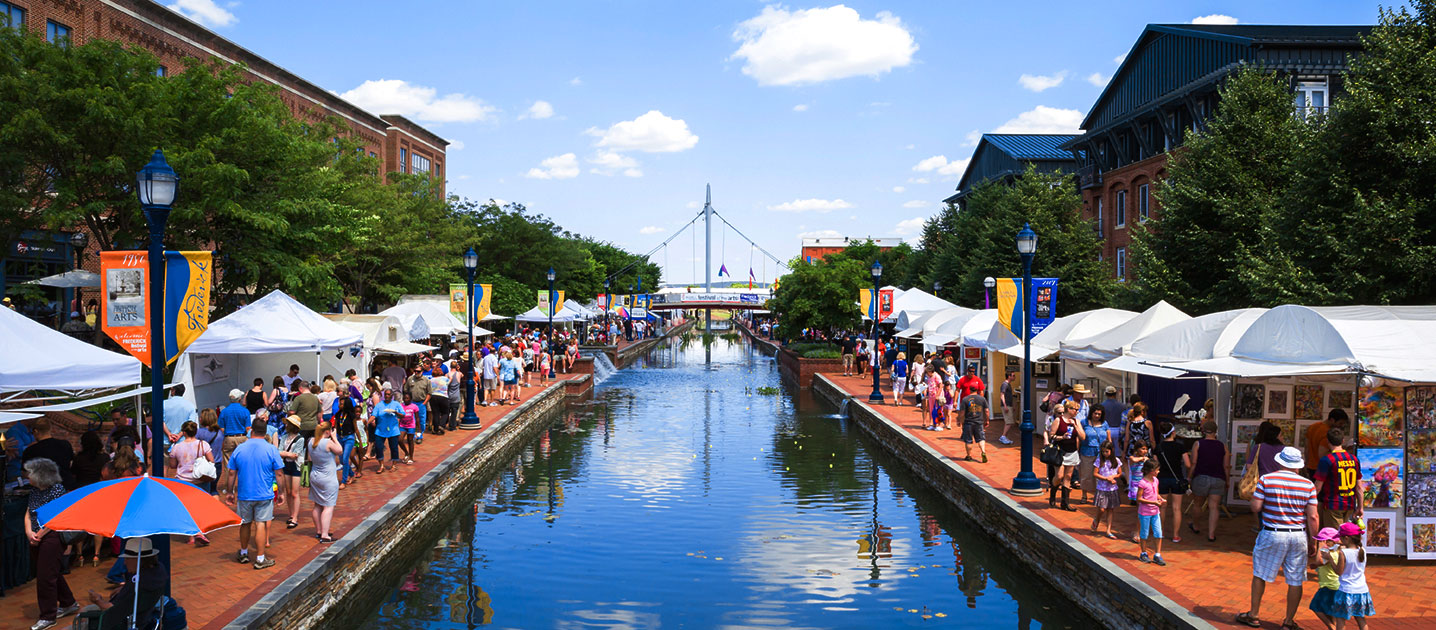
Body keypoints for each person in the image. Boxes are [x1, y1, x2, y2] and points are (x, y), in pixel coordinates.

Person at [1236, 447, 1319, 629]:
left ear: (1280, 461)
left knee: (1260, 574)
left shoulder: (1266, 480)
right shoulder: (1308, 485)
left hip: (1272, 532)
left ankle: (1254, 615)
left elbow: (1256, 507)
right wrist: (1314, 541)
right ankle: (1288, 622)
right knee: (1295, 579)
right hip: (1297, 535)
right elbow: (1313, 516)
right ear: (1297, 465)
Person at [24, 458, 79, 629]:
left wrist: (39, 535)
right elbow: (28, 513)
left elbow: (57, 517)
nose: (27, 476)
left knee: (45, 577)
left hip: (52, 536)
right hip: (36, 536)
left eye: (30, 473)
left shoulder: (57, 490)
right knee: (50, 572)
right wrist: (29, 532)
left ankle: (48, 616)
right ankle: (69, 603)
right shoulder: (34, 490)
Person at [227, 417, 285, 570]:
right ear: (265, 432)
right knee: (260, 523)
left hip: (245, 493)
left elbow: (231, 472)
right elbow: (279, 473)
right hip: (264, 493)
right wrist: (281, 492)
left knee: (245, 523)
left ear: (251, 430)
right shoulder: (271, 449)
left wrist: (230, 491)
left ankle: (244, 552)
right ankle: (260, 558)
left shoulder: (240, 448)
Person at [72, 538, 168, 630]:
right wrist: (124, 588)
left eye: (127, 559)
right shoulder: (158, 571)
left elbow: (112, 610)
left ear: (138, 560)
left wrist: (98, 600)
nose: (125, 563)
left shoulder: (136, 587)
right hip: (143, 617)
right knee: (84, 611)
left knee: (81, 616)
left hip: (120, 623)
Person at [166, 420, 215, 546]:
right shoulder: (203, 444)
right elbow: (211, 460)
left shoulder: (177, 447)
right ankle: (200, 531)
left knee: (187, 508)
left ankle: (191, 536)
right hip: (200, 479)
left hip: (183, 481)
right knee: (201, 507)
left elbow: (172, 465)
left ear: (184, 432)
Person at [1185, 419, 1230, 543]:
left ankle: (1196, 526)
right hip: (1218, 478)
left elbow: (1194, 463)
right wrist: (1227, 480)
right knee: (1214, 507)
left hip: (1201, 477)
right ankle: (1211, 534)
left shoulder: (1198, 444)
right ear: (1215, 432)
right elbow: (1226, 466)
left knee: (1197, 504)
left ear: (1204, 431)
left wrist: (1189, 477)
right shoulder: (1223, 446)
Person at [1313, 428, 1362, 530]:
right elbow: (1359, 487)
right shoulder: (1354, 459)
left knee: (1334, 536)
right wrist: (1360, 507)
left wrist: (1308, 502)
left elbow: (1318, 487)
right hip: (1350, 504)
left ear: (1327, 441)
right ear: (1343, 440)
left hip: (1333, 504)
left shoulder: (1327, 460)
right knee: (1347, 534)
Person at [307, 420, 342, 543]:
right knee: (328, 506)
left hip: (315, 476)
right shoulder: (328, 443)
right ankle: (325, 535)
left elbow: (309, 458)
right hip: (328, 478)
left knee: (317, 504)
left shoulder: (311, 441)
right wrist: (335, 438)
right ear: (327, 431)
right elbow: (340, 450)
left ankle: (319, 531)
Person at [1047, 400, 1085, 511]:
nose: (1077, 412)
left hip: (1072, 451)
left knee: (1068, 476)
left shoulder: (1076, 421)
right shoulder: (1058, 420)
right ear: (1069, 409)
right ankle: (1053, 493)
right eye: (1075, 410)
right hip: (1060, 452)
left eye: (1078, 410)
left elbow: (1083, 437)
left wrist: (1076, 427)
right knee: (1059, 476)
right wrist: (1062, 437)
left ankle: (1065, 503)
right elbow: (1051, 436)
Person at [1153, 421, 1187, 543]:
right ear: (1173, 433)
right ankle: (1176, 535)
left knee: (1162, 507)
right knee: (1176, 508)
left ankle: (1160, 532)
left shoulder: (1158, 447)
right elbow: (1188, 464)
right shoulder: (1180, 446)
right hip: (1177, 478)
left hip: (1162, 478)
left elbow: (1155, 464)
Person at [22, 418, 74, 490]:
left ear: (35, 431)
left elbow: (25, 474)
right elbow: (70, 464)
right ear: (50, 429)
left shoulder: (31, 450)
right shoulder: (65, 444)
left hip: (44, 490)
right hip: (67, 486)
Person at [1077, 406, 1114, 505]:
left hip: (1102, 453)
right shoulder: (1084, 422)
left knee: (1101, 474)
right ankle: (1084, 495)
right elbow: (1079, 438)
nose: (1097, 416)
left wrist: (1111, 452)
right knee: (1086, 474)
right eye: (1095, 413)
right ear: (1091, 413)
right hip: (1087, 451)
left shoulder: (1104, 423)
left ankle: (1099, 496)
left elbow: (1109, 439)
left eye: (1099, 414)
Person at [218, 388, 252, 497]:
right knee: (244, 462)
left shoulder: (224, 411)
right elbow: (248, 428)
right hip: (242, 437)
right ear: (239, 399)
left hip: (229, 437)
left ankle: (229, 488)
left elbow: (221, 427)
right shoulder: (245, 411)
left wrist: (227, 433)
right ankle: (245, 486)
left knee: (228, 463)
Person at [1309, 526, 1343, 630]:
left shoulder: (1328, 554)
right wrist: (1315, 565)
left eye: (1321, 541)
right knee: (1330, 609)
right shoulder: (1337, 552)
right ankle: (1334, 626)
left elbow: (1319, 561)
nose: (1320, 542)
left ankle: (1331, 626)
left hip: (1328, 586)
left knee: (1315, 606)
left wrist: (1320, 546)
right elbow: (1320, 563)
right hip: (1336, 586)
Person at [277, 415, 306, 530]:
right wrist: (288, 454)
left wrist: (285, 454)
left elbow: (296, 455)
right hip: (286, 465)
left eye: (288, 423)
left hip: (296, 466)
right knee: (288, 492)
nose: (286, 425)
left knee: (295, 493)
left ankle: (295, 517)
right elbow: (279, 451)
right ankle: (291, 514)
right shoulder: (284, 437)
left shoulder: (300, 439)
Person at [1136, 459, 1167, 566]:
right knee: (1144, 533)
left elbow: (1156, 494)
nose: (1158, 471)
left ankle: (1157, 554)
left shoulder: (1156, 480)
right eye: (1157, 470)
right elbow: (1139, 498)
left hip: (1155, 512)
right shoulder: (1142, 483)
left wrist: (1160, 499)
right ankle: (1143, 553)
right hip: (1145, 513)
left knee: (1158, 533)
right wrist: (1153, 502)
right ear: (1151, 471)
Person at [1090, 440, 1123, 539]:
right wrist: (1106, 478)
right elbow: (1095, 473)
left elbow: (1119, 473)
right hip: (1102, 488)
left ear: (1111, 451)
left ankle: (1108, 530)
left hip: (1112, 489)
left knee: (1110, 509)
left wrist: (1113, 477)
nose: (1105, 454)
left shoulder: (1116, 461)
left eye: (1107, 451)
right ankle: (1097, 519)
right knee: (1102, 508)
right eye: (1103, 452)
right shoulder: (1099, 461)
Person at [1307, 409, 1350, 479]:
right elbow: (1322, 454)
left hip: (1311, 466)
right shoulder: (1327, 433)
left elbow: (1306, 448)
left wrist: (1307, 463)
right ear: (1332, 420)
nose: (1341, 426)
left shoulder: (1312, 427)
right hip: (1322, 468)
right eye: (1340, 423)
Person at [372, 386, 403, 474]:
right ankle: (381, 465)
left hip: (393, 429)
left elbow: (402, 415)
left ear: (392, 395)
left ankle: (394, 465)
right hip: (380, 429)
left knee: (394, 447)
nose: (387, 396)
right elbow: (374, 415)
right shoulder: (379, 405)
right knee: (378, 447)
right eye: (385, 394)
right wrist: (369, 422)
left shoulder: (396, 404)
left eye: (389, 394)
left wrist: (395, 412)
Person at [195, 408, 225, 494]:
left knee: (202, 491)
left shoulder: (198, 433)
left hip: (203, 465)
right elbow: (222, 447)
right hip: (217, 464)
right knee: (213, 490)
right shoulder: (219, 433)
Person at [333, 395, 360, 488]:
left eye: (341, 404)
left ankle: (343, 481)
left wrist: (360, 441)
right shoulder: (338, 415)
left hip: (349, 438)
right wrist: (334, 438)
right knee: (341, 460)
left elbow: (356, 429)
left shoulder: (351, 416)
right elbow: (336, 427)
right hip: (340, 438)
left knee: (345, 459)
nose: (339, 405)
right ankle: (351, 474)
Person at [161, 384, 197, 450]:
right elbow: (190, 425)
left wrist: (169, 434)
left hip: (165, 442)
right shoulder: (190, 406)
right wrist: (179, 435)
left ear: (173, 391)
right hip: (183, 442)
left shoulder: (163, 404)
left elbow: (160, 421)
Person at [959, 386, 989, 464]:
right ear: (977, 390)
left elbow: (962, 412)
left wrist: (960, 421)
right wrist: (987, 420)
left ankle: (969, 456)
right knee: (981, 438)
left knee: (968, 440)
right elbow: (986, 411)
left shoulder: (965, 399)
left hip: (968, 422)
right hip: (979, 422)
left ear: (969, 389)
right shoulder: (982, 399)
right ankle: (983, 451)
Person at [404, 366, 432, 444]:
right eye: (415, 371)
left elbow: (429, 393)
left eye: (418, 371)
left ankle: (419, 436)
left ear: (422, 372)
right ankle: (412, 436)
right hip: (412, 402)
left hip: (421, 403)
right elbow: (406, 390)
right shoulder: (410, 379)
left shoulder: (426, 380)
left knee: (421, 421)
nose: (416, 373)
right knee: (411, 420)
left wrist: (424, 403)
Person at [997, 371, 1018, 445]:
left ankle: (1005, 436)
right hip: (1006, 405)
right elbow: (1002, 395)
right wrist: (1005, 405)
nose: (1014, 377)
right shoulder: (1005, 384)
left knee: (1008, 422)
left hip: (1009, 405)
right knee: (1009, 422)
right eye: (1013, 375)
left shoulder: (1008, 384)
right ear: (1009, 376)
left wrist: (1012, 406)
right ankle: (1003, 436)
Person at [399, 391, 419, 464]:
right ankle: (406, 452)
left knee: (410, 441)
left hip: (411, 426)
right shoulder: (401, 406)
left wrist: (418, 429)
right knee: (399, 440)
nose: (406, 400)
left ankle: (411, 457)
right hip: (402, 425)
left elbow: (417, 418)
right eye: (404, 398)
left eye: (407, 398)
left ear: (410, 399)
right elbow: (399, 416)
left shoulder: (414, 406)